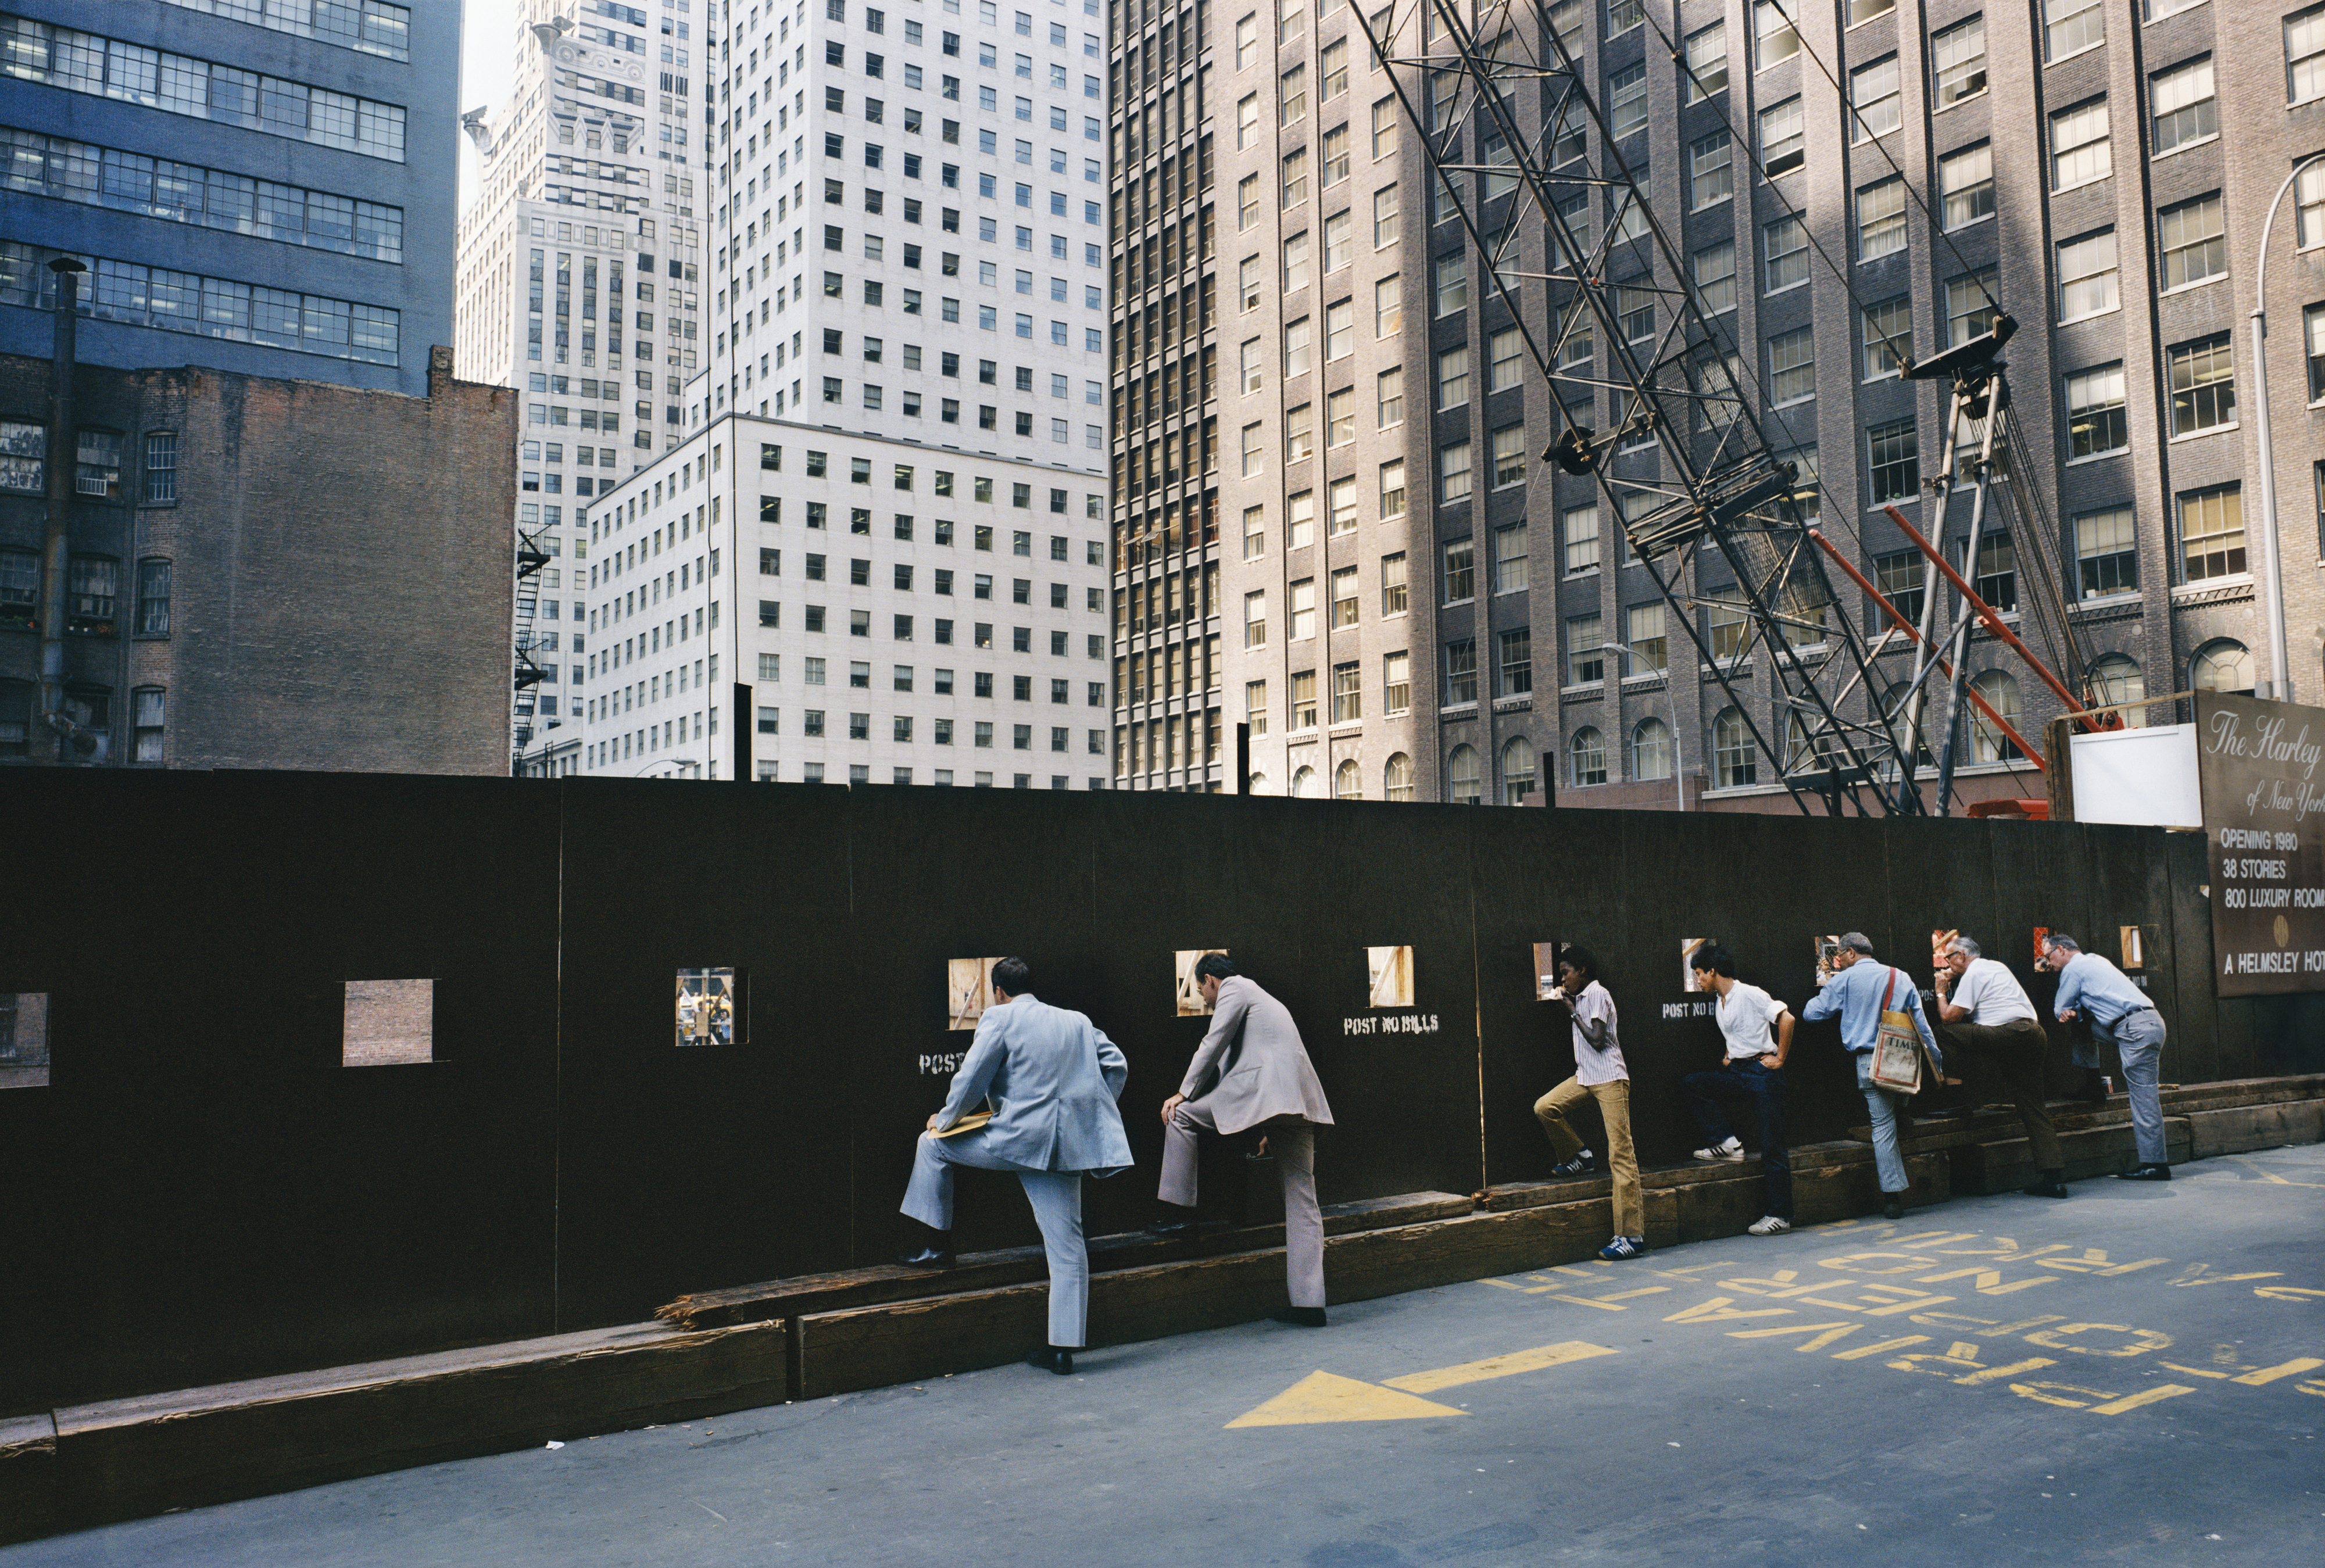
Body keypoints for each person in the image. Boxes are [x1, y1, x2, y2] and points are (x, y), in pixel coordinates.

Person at [899, 957, 1133, 1374]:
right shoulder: (1076, 1021)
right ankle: (1062, 1348)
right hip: (1066, 1148)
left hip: (1017, 1143)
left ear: (999, 992)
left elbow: (971, 1080)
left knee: (931, 1146)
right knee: (1067, 1245)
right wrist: (1092, 1114)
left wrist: (945, 1119)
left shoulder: (999, 1018)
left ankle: (935, 1245)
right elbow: (1117, 1065)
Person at [1156, 954, 1336, 1326]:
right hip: (1298, 1102)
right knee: (1303, 1200)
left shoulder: (1235, 989)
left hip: (1267, 1095)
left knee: (1180, 1117)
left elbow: (1214, 1042)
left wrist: (1184, 1092)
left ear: (1209, 980)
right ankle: (1310, 1304)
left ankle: (1175, 1212)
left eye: (1201, 990)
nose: (1204, 998)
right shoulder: (1264, 997)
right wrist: (1271, 1129)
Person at [1801, 932, 1941, 1221]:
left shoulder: (1844, 980)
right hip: (1903, 1057)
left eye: (1839, 956)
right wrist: (1936, 1063)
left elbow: (1811, 1014)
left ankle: (1892, 1199)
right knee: (1899, 1100)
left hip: (1868, 1061)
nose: (1838, 962)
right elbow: (1923, 1026)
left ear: (1851, 953)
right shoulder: (1900, 976)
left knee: (1882, 1127)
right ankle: (1902, 1109)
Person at [1932, 935, 2066, 1198]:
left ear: (1961, 956)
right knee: (2033, 1107)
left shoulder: (1974, 971)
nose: (1947, 965)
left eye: (1948, 958)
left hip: (2006, 1032)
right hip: (2033, 1033)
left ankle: (1957, 1100)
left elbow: (1949, 1018)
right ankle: (2054, 1178)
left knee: (1943, 1033)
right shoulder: (1997, 967)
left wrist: (1940, 991)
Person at [1532, 948, 1643, 1259]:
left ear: (1582, 970)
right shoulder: (1580, 996)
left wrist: (1570, 1008)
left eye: (1567, 972)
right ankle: (1579, 1155)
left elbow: (1597, 1039)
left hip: (1610, 1078)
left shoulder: (1597, 993)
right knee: (1545, 1108)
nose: (1563, 978)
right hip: (1586, 1077)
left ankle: (1631, 1235)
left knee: (1621, 1153)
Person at [1679, 945, 1797, 1236]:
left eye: (1699, 974)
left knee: (1772, 1148)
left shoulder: (1749, 993)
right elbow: (1738, 1032)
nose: (1698, 981)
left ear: (1713, 971)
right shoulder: (1721, 1001)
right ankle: (1727, 1143)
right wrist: (1731, 1054)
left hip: (1763, 1074)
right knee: (1694, 1084)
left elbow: (1788, 1019)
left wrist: (1780, 1058)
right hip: (1739, 1071)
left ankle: (1779, 1216)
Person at [2044, 933, 2169, 1181]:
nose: (2049, 964)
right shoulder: (2095, 960)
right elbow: (2093, 1002)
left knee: (2143, 1098)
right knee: (2081, 1027)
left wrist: (2069, 1011)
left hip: (2134, 1030)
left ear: (2060, 950)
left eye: (2048, 957)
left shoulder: (2072, 970)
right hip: (2142, 1023)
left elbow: (2060, 1008)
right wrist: (2077, 1014)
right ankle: (2093, 1085)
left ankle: (2155, 1164)